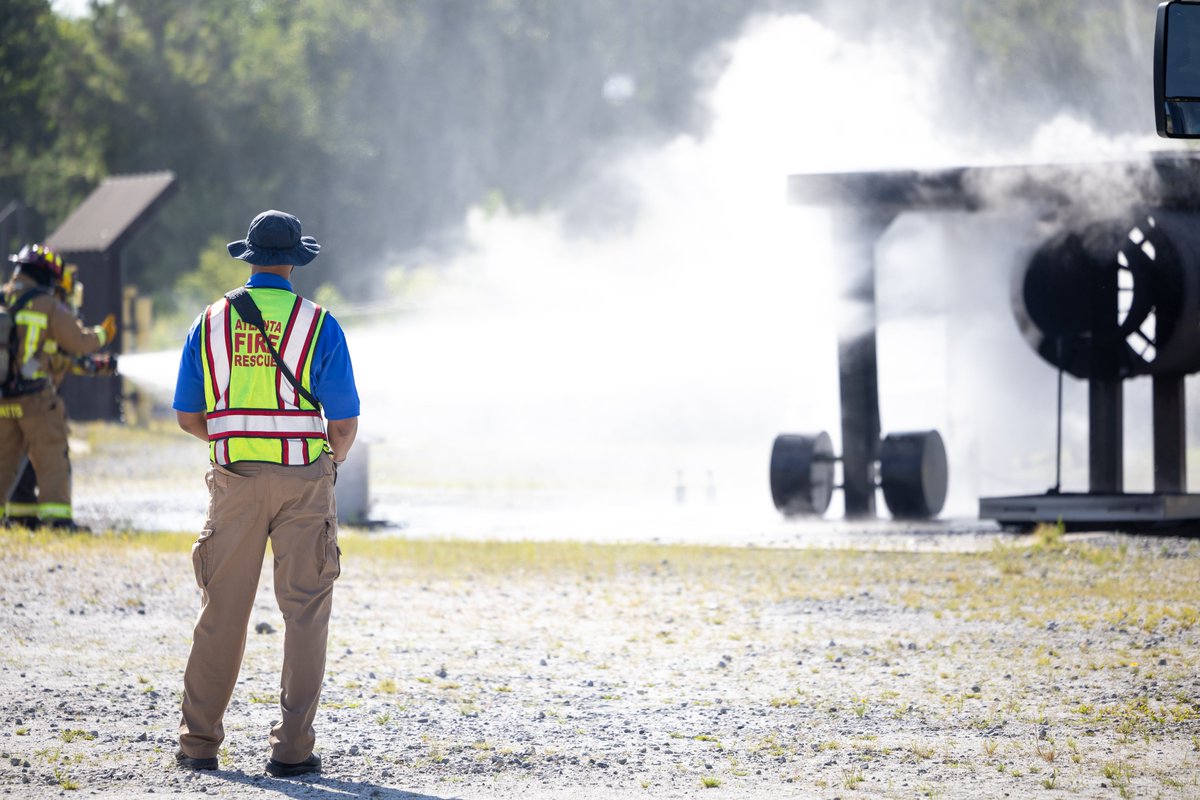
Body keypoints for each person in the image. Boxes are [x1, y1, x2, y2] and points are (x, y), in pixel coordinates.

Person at [171, 209, 360, 778]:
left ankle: (199, 743)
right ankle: (292, 750)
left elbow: (187, 415)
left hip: (233, 482)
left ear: (248, 258)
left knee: (222, 612)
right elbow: (344, 423)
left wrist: (236, 437)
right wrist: (329, 464)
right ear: (295, 262)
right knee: (304, 614)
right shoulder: (319, 324)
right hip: (305, 481)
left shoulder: (208, 322)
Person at [0, 244, 116, 530]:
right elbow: (78, 342)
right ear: (48, 276)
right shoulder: (47, 304)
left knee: (4, 460)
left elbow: (54, 356)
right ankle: (58, 521)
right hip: (35, 398)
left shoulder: (3, 298)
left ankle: (18, 516)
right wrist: (103, 334)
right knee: (52, 456)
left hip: (4, 398)